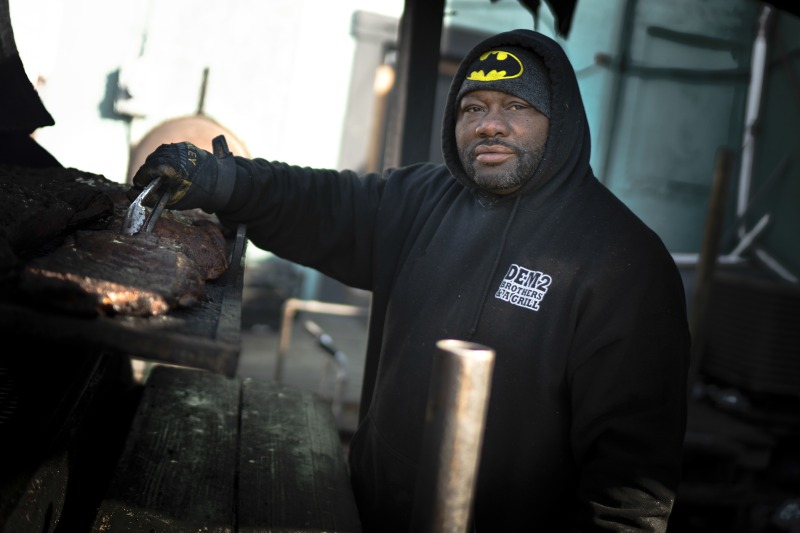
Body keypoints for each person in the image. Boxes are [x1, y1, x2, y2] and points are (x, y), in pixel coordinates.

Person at [130, 28, 690, 532]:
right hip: (372, 510)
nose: (489, 122)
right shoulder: (422, 199)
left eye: (516, 105)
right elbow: (321, 203)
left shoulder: (622, 261)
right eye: (473, 106)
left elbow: (628, 489)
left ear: (561, 121)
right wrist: (222, 179)